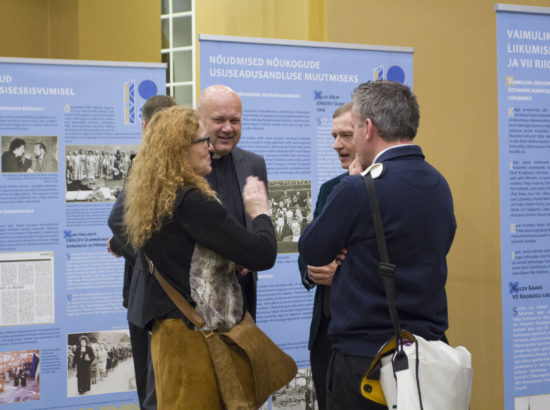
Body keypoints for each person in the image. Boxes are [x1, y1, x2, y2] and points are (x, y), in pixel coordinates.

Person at [298, 81, 456, 410]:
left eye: (352, 130)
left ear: (368, 128)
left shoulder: (358, 189)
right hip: (427, 357)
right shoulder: (439, 183)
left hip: (366, 361)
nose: (349, 141)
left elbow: (312, 248)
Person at [118, 106, 275, 408]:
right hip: (195, 340)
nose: (211, 147)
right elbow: (263, 254)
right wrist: (260, 211)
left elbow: (184, 255)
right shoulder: (192, 200)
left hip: (170, 334)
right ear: (180, 150)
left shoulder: (156, 195)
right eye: (204, 141)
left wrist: (228, 254)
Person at [108, 94, 177, 409]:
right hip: (152, 299)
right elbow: (123, 221)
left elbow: (127, 225)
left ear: (145, 125)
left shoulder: (155, 162)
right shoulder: (152, 163)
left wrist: (130, 249)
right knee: (155, 392)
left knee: (155, 391)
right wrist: (146, 259)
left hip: (152, 300)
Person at [297, 102, 356, 410]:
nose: (337, 145)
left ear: (367, 131)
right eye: (334, 136)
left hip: (366, 337)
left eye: (345, 135)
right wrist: (314, 268)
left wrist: (342, 273)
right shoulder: (329, 189)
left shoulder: (388, 187)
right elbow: (305, 250)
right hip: (326, 335)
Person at [199, 84, 268, 320]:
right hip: (198, 299)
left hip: (244, 291)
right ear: (199, 120)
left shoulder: (254, 164)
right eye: (219, 120)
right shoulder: (184, 167)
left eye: (235, 120)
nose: (228, 128)